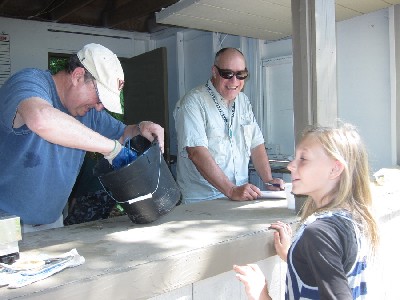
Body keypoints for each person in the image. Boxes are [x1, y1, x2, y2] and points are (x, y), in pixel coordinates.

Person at [0, 43, 164, 232]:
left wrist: (141, 127)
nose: (100, 107)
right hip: (6, 225)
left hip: (51, 223)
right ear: (78, 76)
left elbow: (124, 133)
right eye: (99, 98)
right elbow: (41, 119)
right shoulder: (29, 82)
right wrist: (111, 149)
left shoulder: (88, 113)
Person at [233, 123, 379, 299]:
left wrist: (261, 294)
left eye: (303, 159)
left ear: (335, 169)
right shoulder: (353, 219)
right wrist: (295, 256)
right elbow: (334, 271)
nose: (291, 166)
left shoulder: (319, 234)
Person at [174, 48, 284, 204]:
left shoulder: (243, 101)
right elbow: (196, 152)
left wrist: (268, 180)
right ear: (214, 71)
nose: (234, 81)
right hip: (203, 199)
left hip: (238, 195)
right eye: (227, 74)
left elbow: (256, 144)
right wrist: (231, 190)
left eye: (241, 75)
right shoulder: (193, 103)